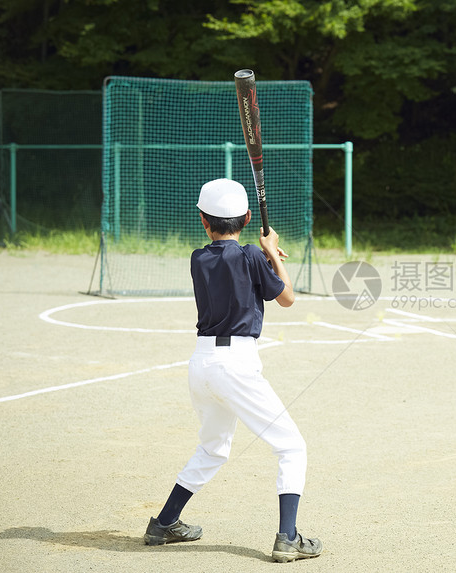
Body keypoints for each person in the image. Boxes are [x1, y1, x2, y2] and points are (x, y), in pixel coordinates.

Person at [143, 178, 322, 563]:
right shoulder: (251, 257)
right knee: (291, 447)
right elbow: (287, 299)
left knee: (213, 448)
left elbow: (231, 258)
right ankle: (288, 537)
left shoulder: (197, 257)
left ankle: (164, 523)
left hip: (201, 365)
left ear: (204, 222)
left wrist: (261, 254)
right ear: (246, 218)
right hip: (236, 366)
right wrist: (271, 252)